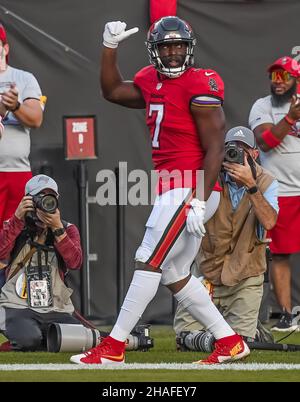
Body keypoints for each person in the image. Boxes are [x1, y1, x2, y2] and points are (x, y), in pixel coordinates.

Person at [71, 16, 250, 365]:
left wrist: (199, 198)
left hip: (190, 187)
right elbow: (111, 91)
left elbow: (215, 147)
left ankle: (114, 347)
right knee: (173, 272)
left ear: (189, 49)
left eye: (178, 46)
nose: (172, 53)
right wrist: (110, 47)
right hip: (173, 188)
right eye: (166, 47)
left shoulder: (201, 83)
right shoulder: (150, 81)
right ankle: (229, 341)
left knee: (148, 258)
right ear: (155, 51)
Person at [174, 126, 278, 341]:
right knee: (186, 339)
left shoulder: (267, 181)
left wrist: (251, 185)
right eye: (230, 149)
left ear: (255, 154)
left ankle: (252, 331)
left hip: (244, 277)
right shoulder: (208, 177)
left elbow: (269, 222)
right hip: (206, 275)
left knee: (238, 343)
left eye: (242, 150)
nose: (235, 155)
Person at [0, 174, 83, 351]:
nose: (45, 202)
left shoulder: (67, 229)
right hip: (17, 305)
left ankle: (32, 338)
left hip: (56, 307)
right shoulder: (15, 225)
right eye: (40, 197)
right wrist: (17, 219)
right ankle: (25, 338)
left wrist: (57, 229)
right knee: (29, 340)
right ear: (28, 200)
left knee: (77, 340)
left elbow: (75, 263)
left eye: (50, 197)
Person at [249, 56, 300, 331]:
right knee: (280, 254)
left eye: (284, 77)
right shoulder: (263, 106)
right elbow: (265, 142)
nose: (278, 83)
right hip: (283, 192)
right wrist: (291, 118)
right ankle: (287, 315)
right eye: (274, 77)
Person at [0, 23, 44, 228]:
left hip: (16, 171)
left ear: (5, 48)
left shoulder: (23, 78)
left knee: (17, 236)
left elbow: (36, 118)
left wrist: (15, 106)